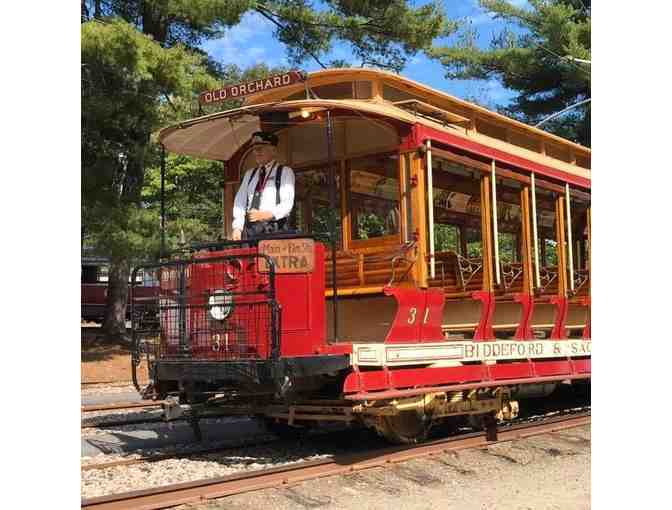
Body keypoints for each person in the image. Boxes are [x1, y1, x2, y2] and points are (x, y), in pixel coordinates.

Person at [231, 131, 295, 241]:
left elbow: (287, 204)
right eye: (255, 149)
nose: (257, 152)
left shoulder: (285, 172)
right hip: (251, 230)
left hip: (274, 230)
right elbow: (239, 202)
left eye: (261, 148)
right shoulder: (250, 174)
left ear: (273, 150)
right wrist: (237, 227)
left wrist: (265, 215)